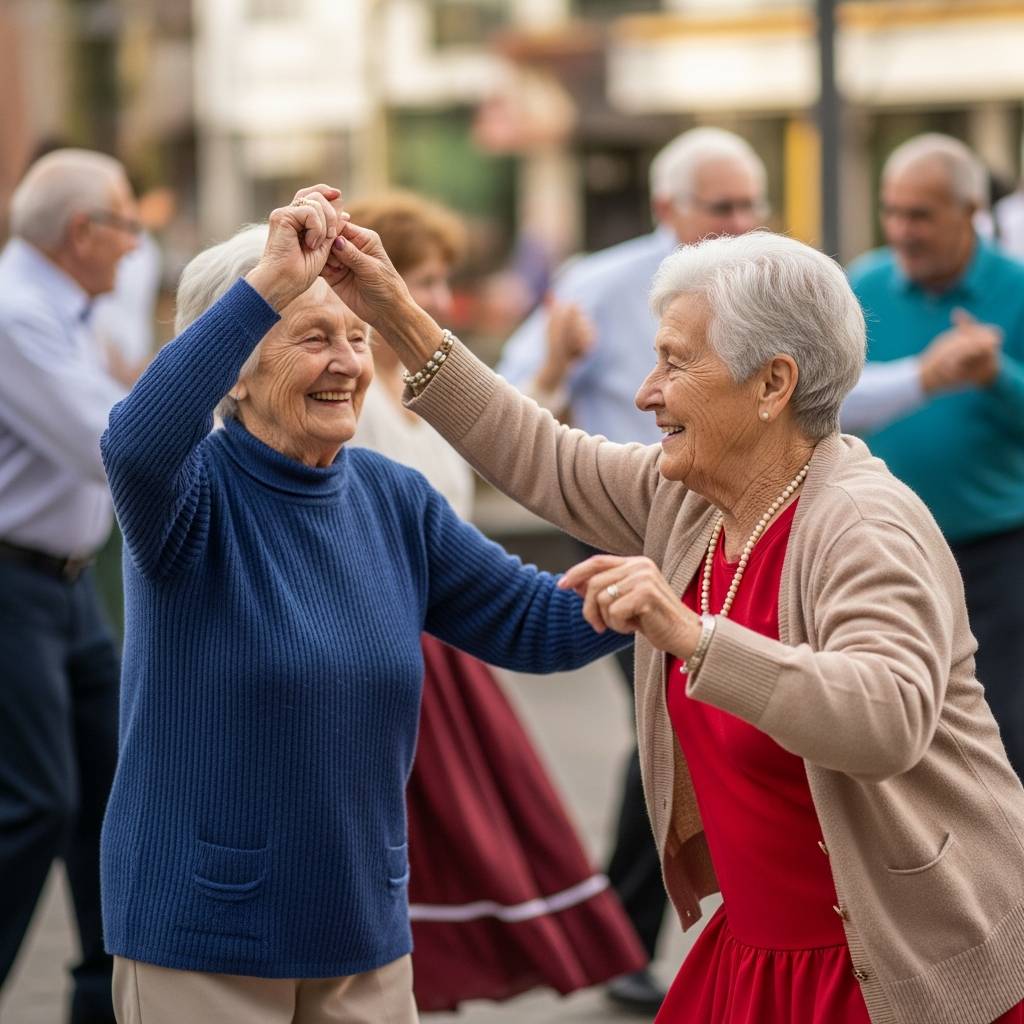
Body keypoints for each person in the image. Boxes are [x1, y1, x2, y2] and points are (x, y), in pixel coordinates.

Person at [326, 220, 1024, 1024]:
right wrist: (394, 312)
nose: (645, 392)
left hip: (900, 967)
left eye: (675, 363)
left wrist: (692, 636)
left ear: (773, 384)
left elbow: (887, 718)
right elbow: (538, 452)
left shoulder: (863, 523)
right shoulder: (689, 496)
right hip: (763, 955)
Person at [98, 186, 631, 1024]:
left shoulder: (395, 498)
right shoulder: (193, 496)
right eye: (313, 337)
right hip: (204, 935)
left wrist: (652, 576)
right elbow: (132, 439)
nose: (348, 362)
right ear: (234, 366)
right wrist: (268, 284)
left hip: (363, 927)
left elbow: (538, 623)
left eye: (356, 337)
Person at [346, 191, 646, 1012]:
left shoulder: (401, 391)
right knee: (430, 839)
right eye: (425, 283)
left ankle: (418, 986)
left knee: (462, 836)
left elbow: (487, 439)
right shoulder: (352, 401)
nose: (439, 302)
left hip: (440, 633)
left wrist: (548, 373)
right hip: (397, 638)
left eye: (441, 284)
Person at [497, 124, 769, 1011]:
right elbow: (510, 398)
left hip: (735, 524)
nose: (739, 220)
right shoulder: (598, 285)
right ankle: (625, 938)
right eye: (720, 205)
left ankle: (725, 927)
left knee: (720, 714)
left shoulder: (772, 275)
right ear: (667, 209)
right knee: (669, 718)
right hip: (623, 525)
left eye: (748, 203)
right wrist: (556, 362)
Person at [0, 148, 138, 1024]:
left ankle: (101, 998)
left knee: (112, 788)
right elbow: (109, 441)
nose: (135, 242)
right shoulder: (17, 313)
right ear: (82, 231)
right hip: (12, 583)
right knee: (36, 799)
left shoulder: (62, 307)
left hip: (65, 583)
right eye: (125, 222)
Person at [842, 133, 1024, 778]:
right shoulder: (860, 285)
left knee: (1004, 734)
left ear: (971, 210)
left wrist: (994, 374)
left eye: (920, 214)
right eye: (892, 211)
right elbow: (830, 399)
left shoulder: (1017, 288)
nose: (902, 230)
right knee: (899, 733)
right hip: (887, 551)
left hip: (995, 553)